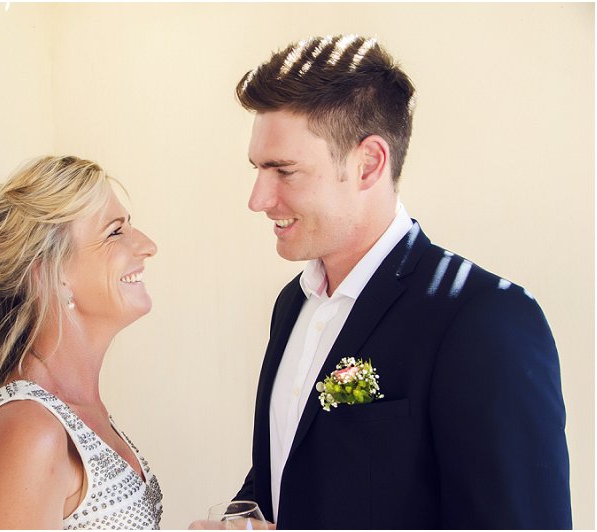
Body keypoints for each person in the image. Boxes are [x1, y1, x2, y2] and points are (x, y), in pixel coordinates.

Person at [230, 35, 571, 529]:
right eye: (258, 169)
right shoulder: (292, 304)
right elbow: (291, 465)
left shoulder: (484, 318)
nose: (258, 199)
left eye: (283, 171)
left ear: (368, 163)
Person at [0, 155, 163, 529]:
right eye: (115, 232)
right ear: (51, 272)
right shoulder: (30, 429)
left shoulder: (75, 409)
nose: (147, 245)